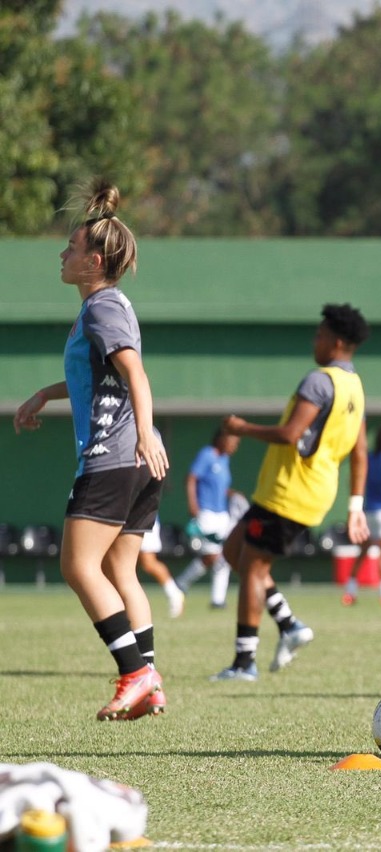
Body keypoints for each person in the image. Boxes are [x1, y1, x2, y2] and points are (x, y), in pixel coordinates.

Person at [12, 180, 170, 721]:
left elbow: (135, 374)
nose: (62, 254)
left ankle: (136, 673)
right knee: (120, 570)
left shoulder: (103, 308)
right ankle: (148, 681)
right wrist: (44, 394)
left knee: (79, 566)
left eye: (71, 249)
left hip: (116, 455)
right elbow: (93, 380)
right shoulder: (103, 307)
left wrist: (143, 433)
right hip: (138, 459)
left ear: (94, 261)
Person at [210, 303, 371, 681]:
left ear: (337, 341)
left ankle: (243, 663)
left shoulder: (320, 380)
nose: (315, 340)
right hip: (308, 491)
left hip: (291, 490)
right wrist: (355, 507)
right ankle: (288, 625)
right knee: (234, 552)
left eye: (320, 335)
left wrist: (241, 427)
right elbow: (360, 453)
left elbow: (289, 434)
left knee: (252, 567)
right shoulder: (355, 387)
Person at [174, 427, 240, 608]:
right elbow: (191, 479)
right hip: (207, 513)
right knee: (212, 555)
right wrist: (193, 505)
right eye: (233, 442)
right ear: (222, 438)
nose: (235, 446)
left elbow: (219, 487)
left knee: (221, 557)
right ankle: (180, 583)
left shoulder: (224, 460)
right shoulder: (207, 455)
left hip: (222, 514)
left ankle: (217, 600)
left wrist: (233, 494)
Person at [343, 424, 381, 609]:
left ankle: (350, 592)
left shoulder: (369, 457)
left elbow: (353, 478)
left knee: (363, 552)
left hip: (368, 511)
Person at [138, 520, 185, 618]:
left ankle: (175, 594)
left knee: (148, 563)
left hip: (142, 519)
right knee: (127, 566)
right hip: (125, 520)